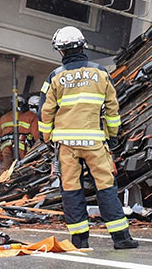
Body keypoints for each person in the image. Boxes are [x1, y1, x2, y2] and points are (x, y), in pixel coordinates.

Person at [39, 26, 138, 251]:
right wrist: (113, 136)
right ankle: (121, 238)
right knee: (105, 187)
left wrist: (47, 138)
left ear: (61, 51)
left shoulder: (55, 77)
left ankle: (80, 241)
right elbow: (113, 108)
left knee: (72, 190)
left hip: (66, 145)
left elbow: (46, 112)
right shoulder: (100, 73)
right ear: (83, 45)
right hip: (95, 142)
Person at [0, 97, 28, 171]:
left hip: (6, 144)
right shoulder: (25, 116)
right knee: (24, 162)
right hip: (21, 144)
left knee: (6, 161)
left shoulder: (4, 118)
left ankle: (2, 177)